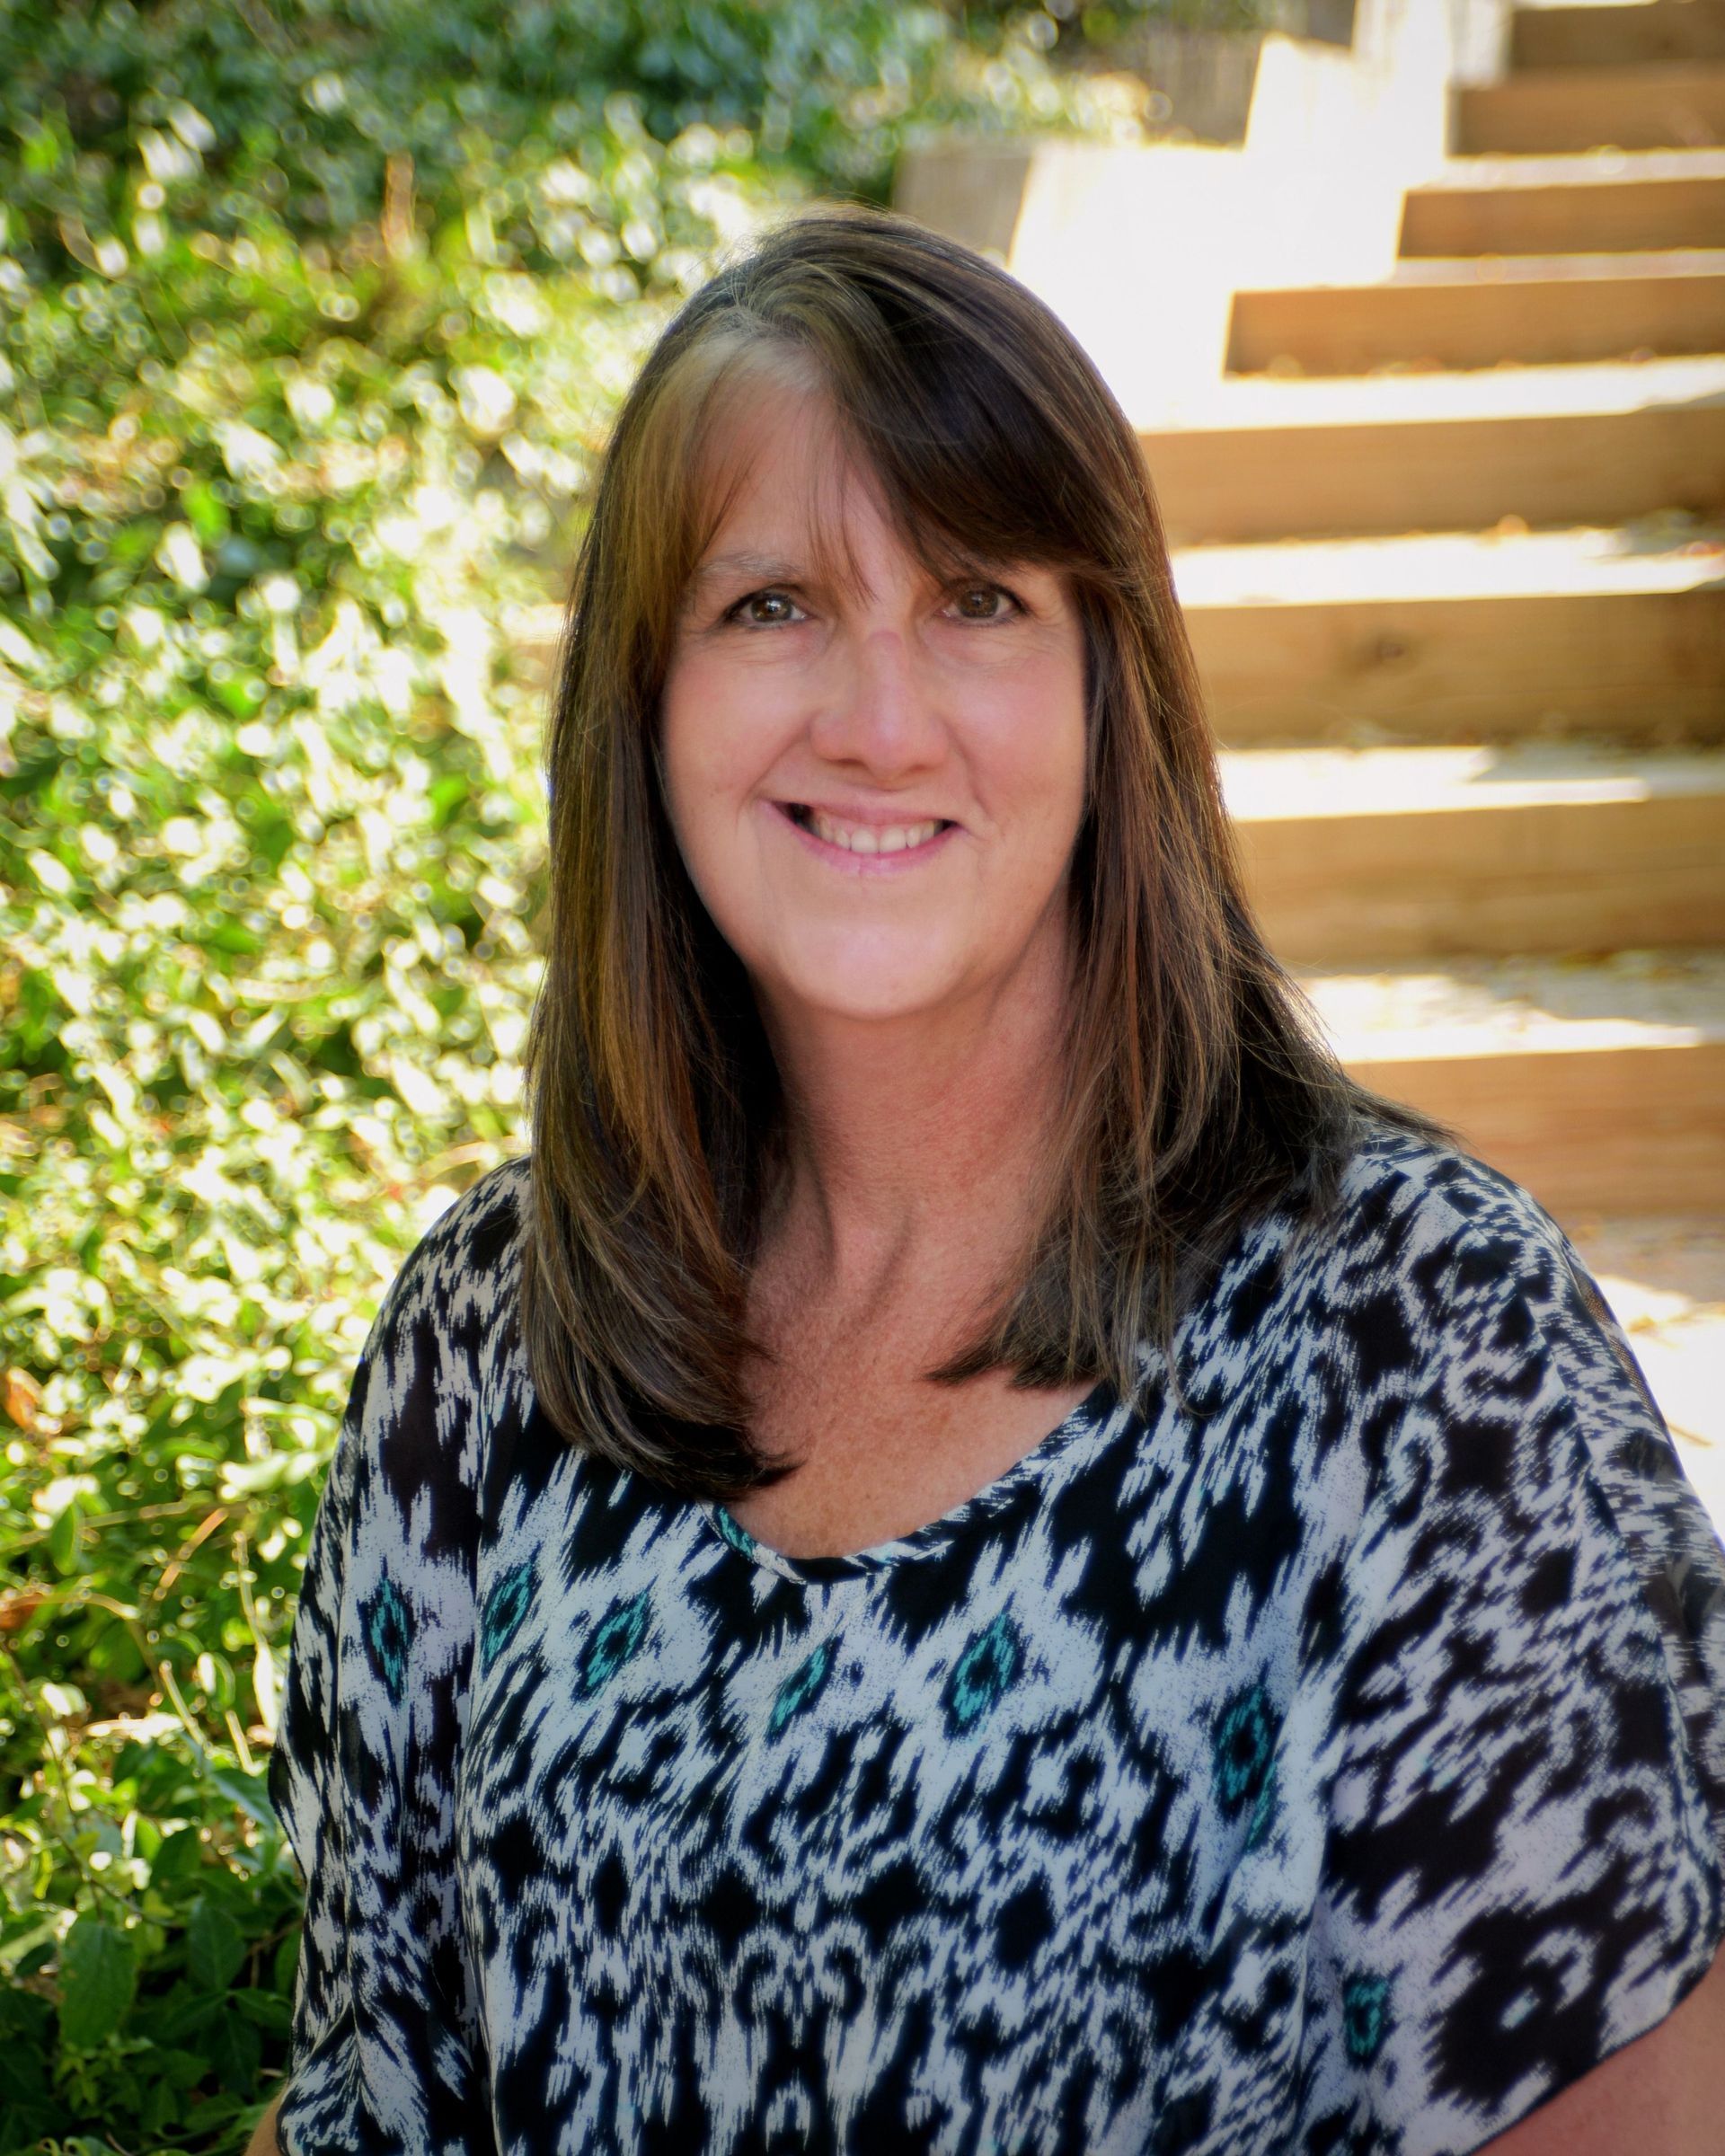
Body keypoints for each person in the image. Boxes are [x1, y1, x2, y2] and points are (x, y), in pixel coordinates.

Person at [252, 202, 1725, 2155]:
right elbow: (365, 2103)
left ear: (1115, 690)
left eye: (977, 599)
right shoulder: (481, 1347)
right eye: (769, 603)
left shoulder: (1425, 1344)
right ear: (649, 702)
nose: (876, 718)